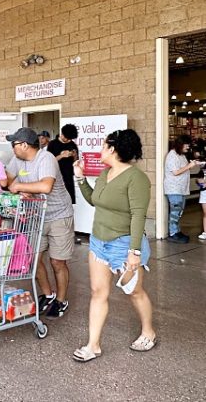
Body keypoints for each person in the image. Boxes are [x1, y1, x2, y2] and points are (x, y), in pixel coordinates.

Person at [71, 129, 156, 362]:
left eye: (102, 146)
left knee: (135, 293)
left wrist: (134, 252)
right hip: (98, 242)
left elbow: (138, 216)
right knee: (98, 292)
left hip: (124, 244)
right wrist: (79, 178)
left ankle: (148, 331)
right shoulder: (104, 173)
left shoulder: (136, 178)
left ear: (112, 149)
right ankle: (93, 345)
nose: (99, 150)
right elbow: (94, 200)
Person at [6, 128, 74, 319]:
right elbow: (7, 182)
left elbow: (46, 186)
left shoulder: (46, 158)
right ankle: (48, 294)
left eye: (15, 144)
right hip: (36, 216)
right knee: (33, 259)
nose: (13, 148)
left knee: (57, 261)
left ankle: (61, 300)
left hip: (59, 215)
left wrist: (19, 186)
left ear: (25, 145)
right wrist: (18, 191)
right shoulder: (17, 160)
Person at [164, 135, 197, 243]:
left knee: (179, 211)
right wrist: (189, 166)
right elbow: (176, 172)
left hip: (181, 189)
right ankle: (173, 233)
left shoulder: (181, 155)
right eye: (186, 144)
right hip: (174, 189)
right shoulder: (172, 156)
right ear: (180, 144)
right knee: (175, 211)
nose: (188, 147)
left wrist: (192, 164)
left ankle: (177, 231)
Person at [47, 124, 79, 204]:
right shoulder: (52, 144)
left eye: (70, 139)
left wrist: (75, 156)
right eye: (67, 138)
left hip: (68, 177)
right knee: (57, 201)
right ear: (62, 134)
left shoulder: (72, 145)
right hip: (56, 177)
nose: (68, 140)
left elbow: (75, 162)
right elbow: (48, 161)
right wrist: (61, 156)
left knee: (70, 201)